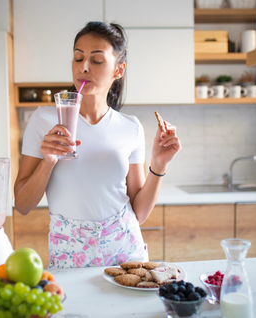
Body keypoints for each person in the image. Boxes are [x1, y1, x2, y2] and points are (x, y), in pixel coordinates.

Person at [14, 22, 181, 269]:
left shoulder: (131, 127)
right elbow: (22, 205)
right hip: (70, 252)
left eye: (97, 60)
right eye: (78, 58)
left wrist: (158, 165)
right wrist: (47, 162)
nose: (83, 67)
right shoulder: (43, 120)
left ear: (118, 70)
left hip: (125, 249)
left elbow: (140, 213)